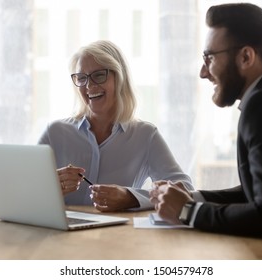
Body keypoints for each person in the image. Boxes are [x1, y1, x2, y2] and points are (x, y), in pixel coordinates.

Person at [150, 3, 262, 259]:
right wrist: (192, 197)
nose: (203, 72)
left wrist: (187, 212)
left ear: (246, 57)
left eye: (209, 57)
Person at [38, 40, 193, 212]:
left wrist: (130, 197)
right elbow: (21, 191)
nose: (89, 86)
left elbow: (185, 190)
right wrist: (48, 189)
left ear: (119, 78)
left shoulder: (145, 135)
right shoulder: (55, 132)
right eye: (81, 78)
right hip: (60, 235)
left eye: (98, 75)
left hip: (117, 236)